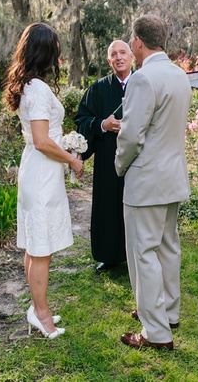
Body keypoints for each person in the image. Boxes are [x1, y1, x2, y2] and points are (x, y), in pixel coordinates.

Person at [114, 14, 192, 350]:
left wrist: (120, 166)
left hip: (146, 181)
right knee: (168, 247)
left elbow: (131, 136)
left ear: (138, 43)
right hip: (173, 176)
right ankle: (167, 312)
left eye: (131, 41)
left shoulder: (144, 79)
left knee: (143, 253)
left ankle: (156, 333)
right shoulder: (180, 76)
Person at [3, 22, 84, 339]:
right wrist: (72, 158)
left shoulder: (30, 85)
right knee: (41, 249)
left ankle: (37, 307)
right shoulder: (37, 90)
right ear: (47, 52)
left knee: (35, 245)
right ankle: (41, 313)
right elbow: (42, 140)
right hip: (41, 170)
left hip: (38, 170)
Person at [74, 40, 134, 274]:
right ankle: (108, 257)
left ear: (131, 56)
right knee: (109, 206)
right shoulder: (97, 89)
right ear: (109, 61)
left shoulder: (143, 85)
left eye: (122, 53)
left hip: (137, 160)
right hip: (108, 159)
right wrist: (102, 124)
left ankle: (135, 257)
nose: (119, 58)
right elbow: (82, 119)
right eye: (113, 55)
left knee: (135, 208)